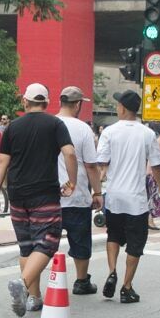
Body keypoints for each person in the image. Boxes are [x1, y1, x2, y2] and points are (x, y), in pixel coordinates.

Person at [0, 83, 77, 316]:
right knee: (47, 242)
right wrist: (72, 181)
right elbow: (69, 153)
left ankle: (34, 298)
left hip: (17, 194)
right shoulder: (56, 124)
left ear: (25, 102)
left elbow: (3, 162)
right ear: (46, 103)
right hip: (44, 193)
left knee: (27, 246)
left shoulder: (12, 128)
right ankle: (22, 284)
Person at [96, 91, 160, 303]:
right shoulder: (147, 133)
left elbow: (102, 163)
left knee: (113, 235)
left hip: (114, 196)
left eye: (117, 104)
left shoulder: (109, 131)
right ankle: (126, 287)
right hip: (136, 199)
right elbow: (156, 165)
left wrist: (98, 187)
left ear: (123, 108)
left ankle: (112, 271)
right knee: (136, 244)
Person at [53, 86, 105, 294]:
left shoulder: (50, 124)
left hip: (51, 196)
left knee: (46, 242)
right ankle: (81, 281)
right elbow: (91, 165)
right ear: (77, 104)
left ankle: (38, 284)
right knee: (80, 240)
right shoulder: (83, 129)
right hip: (77, 195)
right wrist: (98, 192)